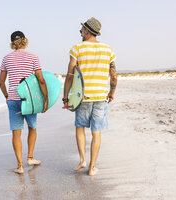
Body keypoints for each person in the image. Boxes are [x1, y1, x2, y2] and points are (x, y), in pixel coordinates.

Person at [63, 17, 117, 176]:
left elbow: (70, 74)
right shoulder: (108, 50)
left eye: (81, 30)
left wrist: (66, 97)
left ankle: (82, 160)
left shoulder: (77, 49)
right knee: (96, 131)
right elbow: (113, 76)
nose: (80, 32)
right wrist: (112, 93)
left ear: (87, 30)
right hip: (101, 96)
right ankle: (92, 168)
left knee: (80, 127)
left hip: (83, 97)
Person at [0, 31, 48, 174]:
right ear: (25, 41)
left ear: (12, 43)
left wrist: (7, 96)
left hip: (13, 100)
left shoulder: (6, 59)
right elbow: (41, 79)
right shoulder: (33, 57)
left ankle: (19, 166)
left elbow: (1, 82)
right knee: (32, 127)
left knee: (16, 132)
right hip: (29, 99)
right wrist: (45, 99)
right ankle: (30, 157)